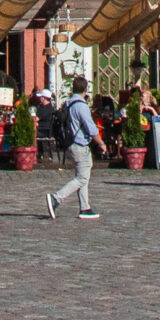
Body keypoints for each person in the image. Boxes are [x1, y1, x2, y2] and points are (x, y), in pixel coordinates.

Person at [42, 76, 101, 220]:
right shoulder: (81, 106)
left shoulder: (68, 103)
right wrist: (101, 143)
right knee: (81, 177)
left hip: (70, 143)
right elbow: (91, 128)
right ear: (85, 90)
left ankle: (85, 208)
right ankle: (56, 198)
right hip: (80, 144)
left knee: (83, 174)